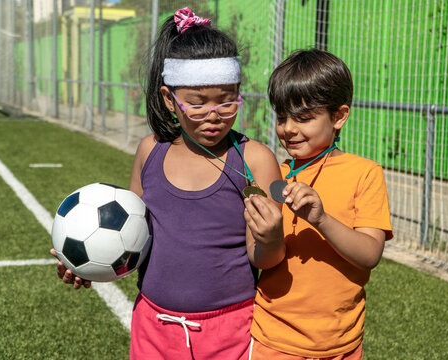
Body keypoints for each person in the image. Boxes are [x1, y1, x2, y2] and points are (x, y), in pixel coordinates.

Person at [51, 7, 285, 360]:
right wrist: (90, 263)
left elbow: (268, 258)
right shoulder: (150, 151)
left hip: (231, 330)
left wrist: (271, 237)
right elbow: (130, 236)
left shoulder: (255, 160)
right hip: (153, 328)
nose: (214, 114)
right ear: (168, 100)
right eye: (197, 103)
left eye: (227, 100)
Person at [249, 49, 393, 359]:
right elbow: (260, 259)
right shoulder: (273, 173)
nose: (288, 128)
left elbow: (370, 254)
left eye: (304, 117)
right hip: (273, 340)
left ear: (339, 116)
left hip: (341, 344)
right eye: (282, 117)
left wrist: (322, 218)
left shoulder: (365, 173)